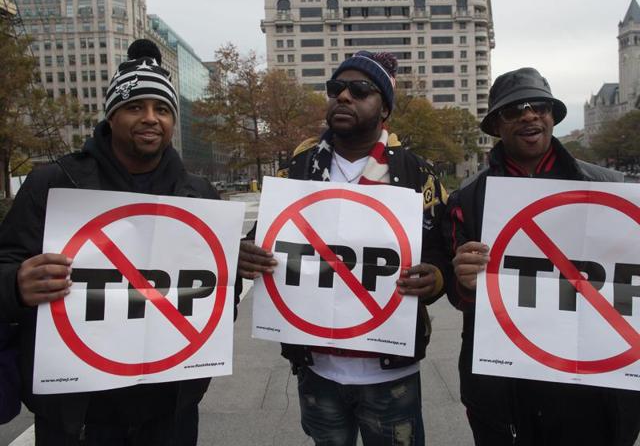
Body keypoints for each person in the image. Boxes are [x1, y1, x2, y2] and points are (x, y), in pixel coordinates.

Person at [0, 39, 234, 445]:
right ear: (111, 115)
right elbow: (5, 265)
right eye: (134, 106)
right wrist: (16, 284)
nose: (150, 118)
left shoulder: (198, 196)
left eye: (162, 109)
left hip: (169, 409)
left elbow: (219, 303)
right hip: (78, 414)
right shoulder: (53, 183)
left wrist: (236, 272)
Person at [238, 51, 450, 445]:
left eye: (360, 90)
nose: (344, 97)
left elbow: (441, 253)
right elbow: (261, 239)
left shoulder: (416, 173)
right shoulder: (296, 170)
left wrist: (435, 278)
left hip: (392, 374)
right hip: (317, 369)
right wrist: (245, 253)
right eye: (336, 88)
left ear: (384, 107)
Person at [443, 67, 640, 446]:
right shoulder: (466, 200)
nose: (529, 114)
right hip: (507, 386)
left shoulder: (613, 190)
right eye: (513, 110)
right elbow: (458, 295)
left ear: (552, 116)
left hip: (594, 388)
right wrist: (462, 280)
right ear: (496, 125)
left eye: (539, 106)